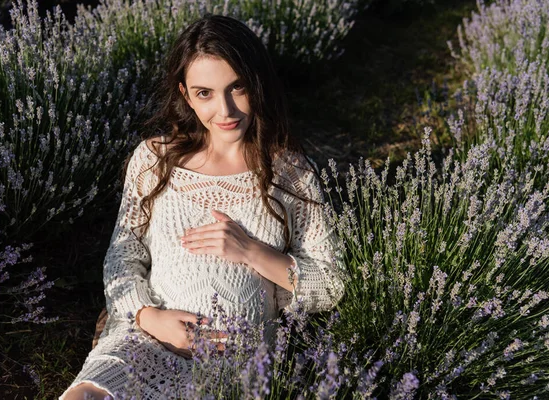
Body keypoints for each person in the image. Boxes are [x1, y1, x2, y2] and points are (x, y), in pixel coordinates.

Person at [60, 13, 346, 400]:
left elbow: (330, 283)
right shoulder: (153, 160)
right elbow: (123, 257)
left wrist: (251, 250)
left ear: (257, 83)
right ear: (185, 94)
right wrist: (150, 317)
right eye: (205, 93)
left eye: (238, 87)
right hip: (143, 335)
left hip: (232, 358)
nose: (225, 111)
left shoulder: (289, 172)